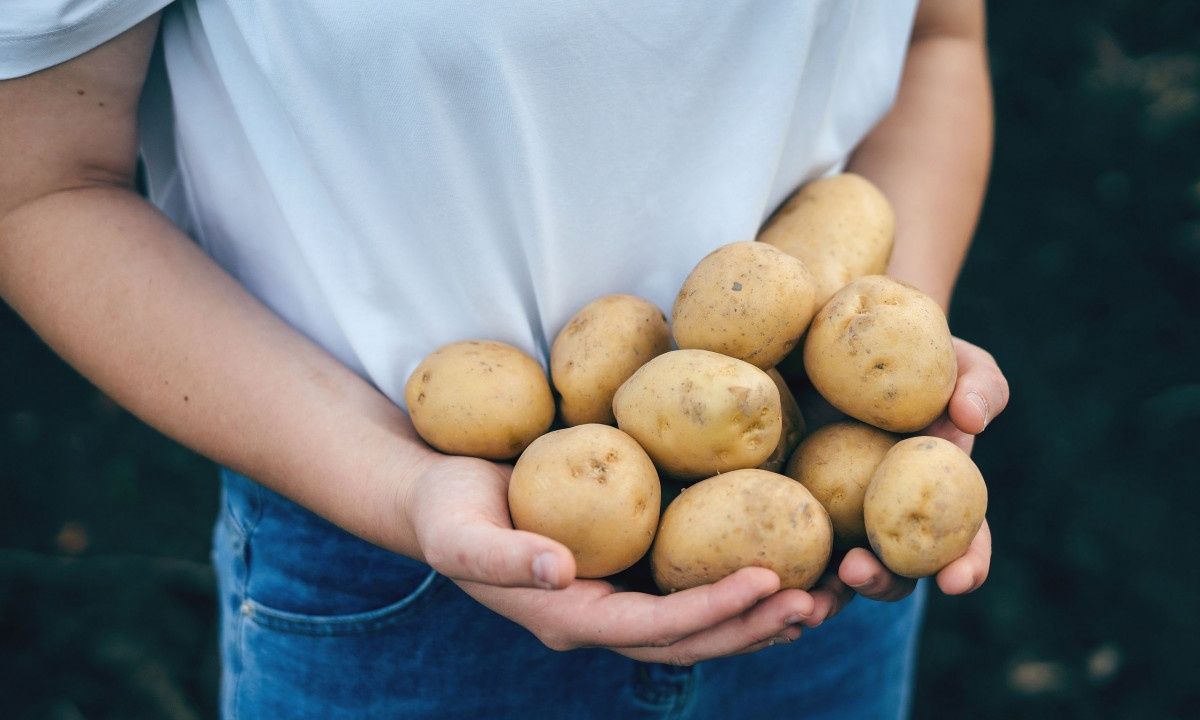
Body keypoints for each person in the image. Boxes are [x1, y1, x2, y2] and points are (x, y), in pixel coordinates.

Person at [0, 0, 1009, 717]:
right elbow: (37, 183)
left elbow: (938, 38)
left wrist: (891, 372)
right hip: (391, 565)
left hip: (820, 550)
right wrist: (401, 489)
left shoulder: (849, 485)